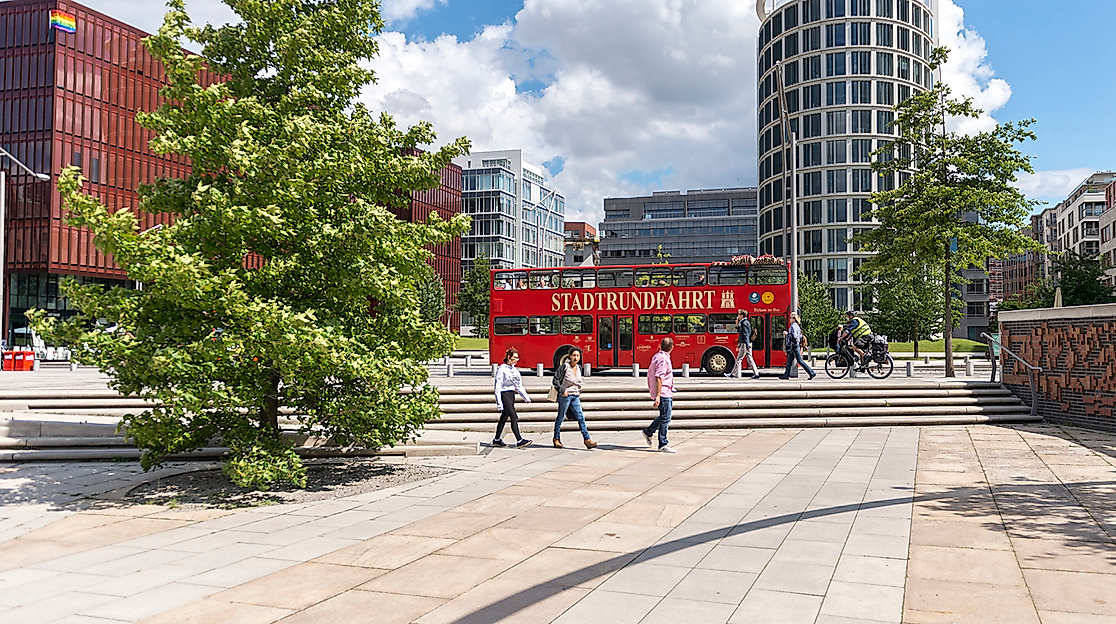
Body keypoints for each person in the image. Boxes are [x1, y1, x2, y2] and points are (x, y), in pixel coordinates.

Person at [552, 348, 596, 449]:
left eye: (577, 356)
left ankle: (587, 439)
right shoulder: (565, 367)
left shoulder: (579, 368)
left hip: (575, 396)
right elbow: (555, 380)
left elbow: (579, 382)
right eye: (574, 355)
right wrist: (562, 391)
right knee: (560, 417)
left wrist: (580, 391)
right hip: (565, 396)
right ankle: (556, 438)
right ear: (570, 356)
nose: (575, 358)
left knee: (581, 417)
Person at [643, 337, 676, 453]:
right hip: (663, 392)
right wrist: (658, 395)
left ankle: (648, 431)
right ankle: (663, 443)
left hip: (665, 390)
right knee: (666, 418)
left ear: (660, 345)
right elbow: (659, 377)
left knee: (664, 416)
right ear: (672, 347)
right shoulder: (663, 359)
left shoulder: (657, 356)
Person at [493, 347, 532, 448]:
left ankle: (497, 439)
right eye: (514, 358)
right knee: (514, 416)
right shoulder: (502, 369)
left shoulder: (515, 370)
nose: (516, 360)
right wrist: (499, 403)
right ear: (508, 357)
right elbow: (498, 386)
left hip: (511, 395)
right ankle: (519, 440)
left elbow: (518, 385)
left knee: (504, 417)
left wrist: (526, 397)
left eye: (517, 358)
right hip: (504, 394)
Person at [779, 313, 816, 380]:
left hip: (794, 346)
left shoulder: (793, 326)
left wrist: (786, 333)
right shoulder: (797, 326)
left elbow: (794, 336)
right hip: (795, 345)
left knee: (800, 361)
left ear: (794, 319)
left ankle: (811, 373)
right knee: (789, 361)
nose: (790, 319)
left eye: (791, 318)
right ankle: (786, 374)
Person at [726, 310, 760, 379]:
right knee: (750, 359)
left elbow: (745, 335)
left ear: (742, 315)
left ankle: (732, 374)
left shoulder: (744, 323)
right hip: (746, 343)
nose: (738, 316)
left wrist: (747, 345)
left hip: (745, 343)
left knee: (739, 359)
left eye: (739, 314)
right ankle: (756, 374)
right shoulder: (745, 322)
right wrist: (737, 325)